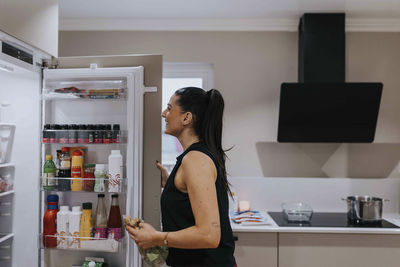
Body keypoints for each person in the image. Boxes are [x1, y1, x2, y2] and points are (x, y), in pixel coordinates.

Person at [126, 87, 236, 267]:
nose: (164, 114)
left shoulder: (195, 159)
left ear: (187, 118)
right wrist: (171, 183)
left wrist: (156, 238)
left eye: (169, 108)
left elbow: (209, 235)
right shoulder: (195, 156)